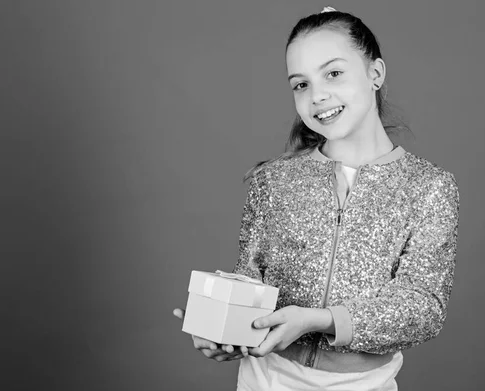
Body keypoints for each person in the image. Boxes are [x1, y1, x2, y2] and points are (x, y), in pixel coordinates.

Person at [174, 6, 459, 390]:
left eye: (334, 73)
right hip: (266, 380)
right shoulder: (273, 181)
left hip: (363, 384)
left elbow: (424, 308)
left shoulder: (429, 187)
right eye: (301, 84)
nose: (318, 95)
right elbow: (251, 283)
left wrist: (321, 319)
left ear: (375, 74)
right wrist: (224, 329)